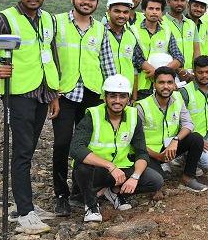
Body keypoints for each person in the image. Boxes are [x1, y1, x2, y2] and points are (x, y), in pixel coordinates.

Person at [0, 0, 60, 234]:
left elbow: (52, 55)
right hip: (18, 95)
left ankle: (26, 206)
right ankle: (24, 213)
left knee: (30, 149)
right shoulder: (4, 19)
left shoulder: (48, 20)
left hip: (42, 93)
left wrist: (54, 94)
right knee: (22, 153)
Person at [51, 0, 117, 216]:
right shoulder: (56, 23)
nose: (86, 2)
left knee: (88, 145)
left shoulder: (101, 29)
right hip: (64, 93)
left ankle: (80, 189)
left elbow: (107, 63)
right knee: (61, 145)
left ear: (97, 3)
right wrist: (51, 92)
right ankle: (61, 195)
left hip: (92, 93)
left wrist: (112, 95)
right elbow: (47, 57)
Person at [69, 74, 165, 223]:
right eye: (113, 96)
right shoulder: (93, 115)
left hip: (121, 170)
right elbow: (76, 149)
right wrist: (110, 166)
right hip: (96, 171)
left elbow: (141, 152)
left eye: (122, 96)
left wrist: (135, 177)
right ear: (105, 97)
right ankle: (91, 205)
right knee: (82, 167)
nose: (117, 101)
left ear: (128, 99)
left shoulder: (133, 116)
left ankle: (114, 192)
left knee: (155, 180)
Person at [136, 66, 207, 192]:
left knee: (196, 138)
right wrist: (157, 156)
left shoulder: (178, 98)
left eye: (169, 82)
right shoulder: (142, 106)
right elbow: (136, 143)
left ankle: (188, 178)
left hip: (169, 146)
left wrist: (175, 140)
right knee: (159, 180)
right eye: (161, 82)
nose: (166, 86)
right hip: (149, 152)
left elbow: (189, 124)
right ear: (154, 85)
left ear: (174, 84)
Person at [136, 0, 184, 99]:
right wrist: (159, 74)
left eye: (157, 9)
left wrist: (160, 74)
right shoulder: (133, 31)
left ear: (161, 11)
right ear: (144, 10)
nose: (154, 12)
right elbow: (138, 58)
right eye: (151, 8)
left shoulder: (167, 31)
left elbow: (179, 58)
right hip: (142, 87)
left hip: (164, 87)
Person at [103, 0, 145, 101]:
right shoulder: (100, 33)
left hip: (125, 93)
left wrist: (134, 96)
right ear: (108, 12)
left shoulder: (131, 36)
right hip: (104, 93)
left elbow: (135, 67)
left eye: (126, 12)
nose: (121, 15)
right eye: (117, 11)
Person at [165, 0, 200, 83]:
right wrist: (180, 70)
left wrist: (195, 72)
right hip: (170, 72)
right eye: (176, 0)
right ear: (168, 1)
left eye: (182, 0)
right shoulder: (162, 23)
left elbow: (196, 50)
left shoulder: (191, 24)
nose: (179, 3)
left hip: (190, 74)